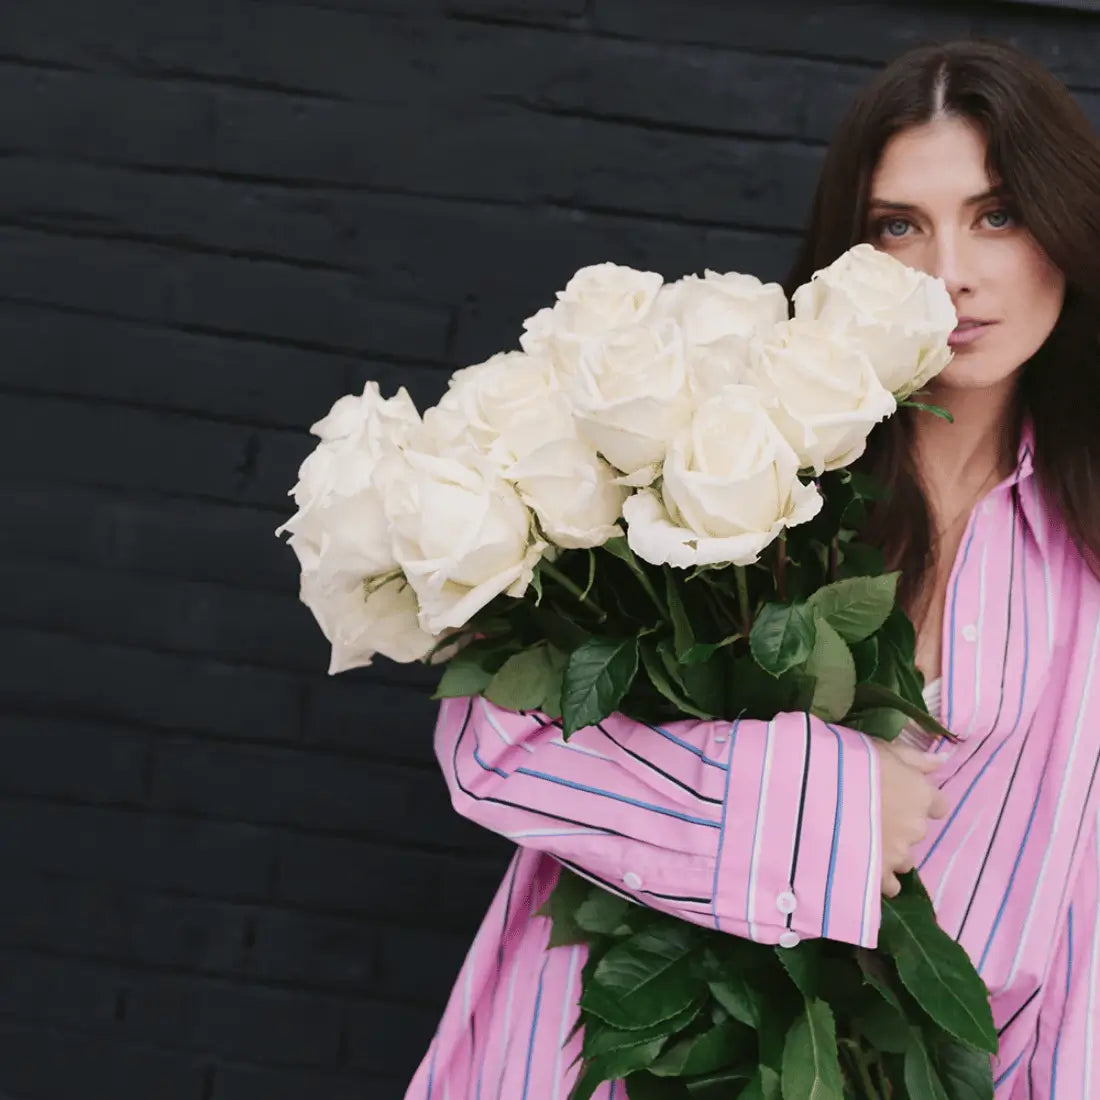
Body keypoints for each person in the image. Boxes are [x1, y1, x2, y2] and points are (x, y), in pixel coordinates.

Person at [404, 39, 1100, 1098]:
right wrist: (809, 804)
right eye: (897, 225)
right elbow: (490, 733)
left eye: (995, 214)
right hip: (602, 1054)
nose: (948, 272)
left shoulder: (1085, 550)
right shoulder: (723, 454)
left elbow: (1078, 934)